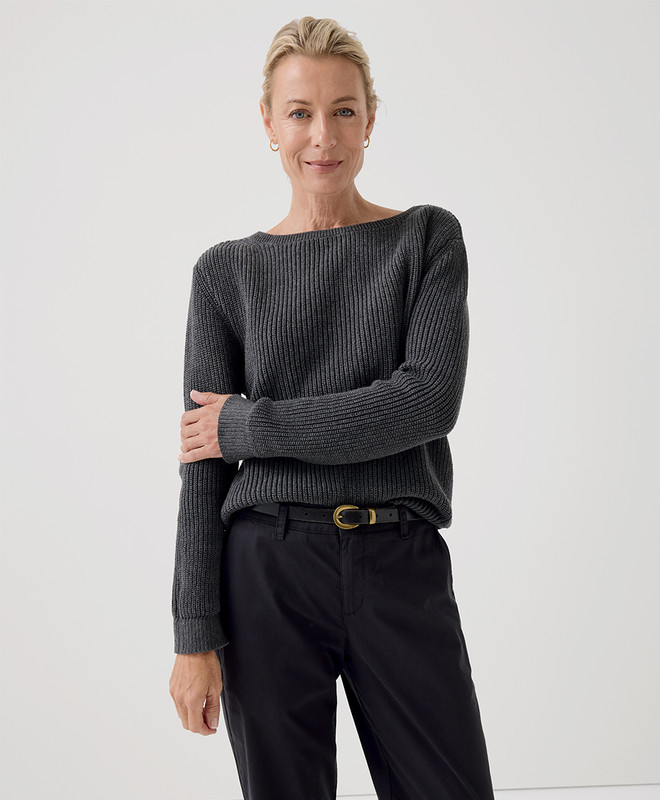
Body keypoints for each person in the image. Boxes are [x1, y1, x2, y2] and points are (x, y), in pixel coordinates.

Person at [169, 15, 495, 800]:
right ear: (269, 123)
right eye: (300, 112)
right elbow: (202, 465)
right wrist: (193, 634)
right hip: (265, 570)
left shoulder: (425, 241)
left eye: (344, 110)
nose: (323, 135)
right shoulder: (224, 274)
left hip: (399, 560)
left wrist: (252, 424)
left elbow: (425, 401)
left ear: (370, 118)